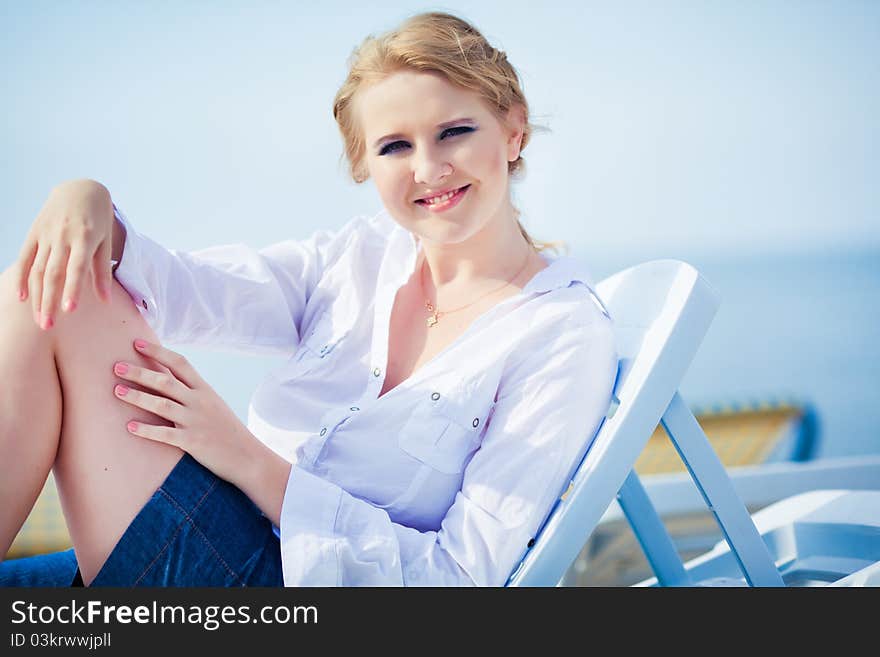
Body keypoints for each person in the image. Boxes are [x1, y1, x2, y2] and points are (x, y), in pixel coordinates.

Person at [0, 11, 617, 587]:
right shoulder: (360, 260)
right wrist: (85, 199)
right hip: (223, 533)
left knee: (51, 293)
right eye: (395, 146)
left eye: (454, 132)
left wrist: (244, 457)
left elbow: (457, 577)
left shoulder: (559, 334)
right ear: (363, 163)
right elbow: (190, 291)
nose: (428, 169)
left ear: (514, 129)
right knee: (50, 281)